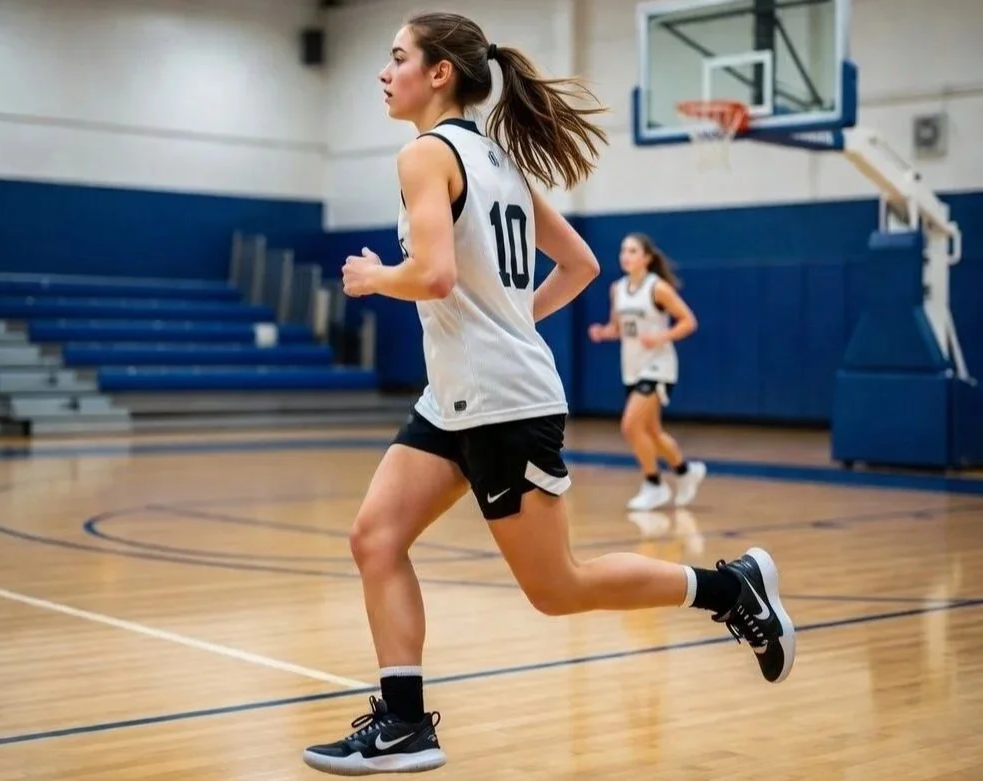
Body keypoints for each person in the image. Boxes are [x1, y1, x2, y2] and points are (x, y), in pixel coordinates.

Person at [302, 11, 795, 776]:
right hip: (457, 394)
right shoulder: (495, 157)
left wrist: (373, 278)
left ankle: (730, 588)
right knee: (375, 537)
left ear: (440, 74)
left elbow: (431, 276)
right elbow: (583, 265)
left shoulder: (427, 155)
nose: (383, 71)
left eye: (397, 57)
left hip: (503, 400)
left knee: (557, 587)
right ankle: (403, 722)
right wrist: (506, 319)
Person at [588, 233, 707, 511]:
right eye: (623, 250)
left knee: (630, 426)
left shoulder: (658, 288)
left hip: (658, 366)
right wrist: (604, 332)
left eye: (632, 250)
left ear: (647, 258)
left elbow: (689, 321)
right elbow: (619, 328)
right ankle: (685, 470)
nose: (625, 255)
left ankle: (654, 483)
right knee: (652, 432)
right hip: (632, 367)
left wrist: (661, 336)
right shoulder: (617, 289)